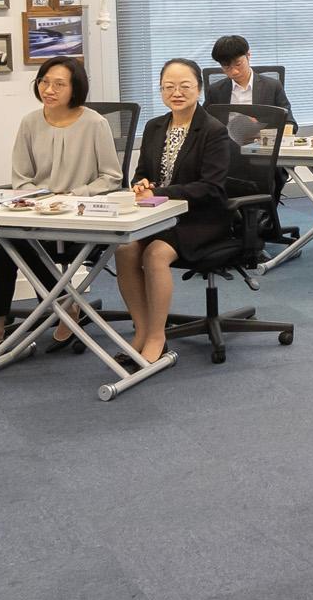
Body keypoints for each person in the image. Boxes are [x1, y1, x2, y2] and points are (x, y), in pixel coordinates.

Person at [0, 55, 122, 358]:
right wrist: (38, 198)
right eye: (43, 81)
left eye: (58, 84)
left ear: (74, 88)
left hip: (81, 219)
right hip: (39, 215)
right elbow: (20, 178)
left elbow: (111, 178)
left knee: (23, 244)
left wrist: (73, 195)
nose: (48, 89)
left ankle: (64, 307)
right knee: (4, 248)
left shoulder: (95, 123)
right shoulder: (29, 122)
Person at [112, 58, 236, 366]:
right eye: (169, 87)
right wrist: (140, 184)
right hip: (158, 213)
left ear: (199, 88)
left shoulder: (213, 130)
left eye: (184, 86)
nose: (176, 92)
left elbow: (212, 187)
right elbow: (142, 173)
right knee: (125, 249)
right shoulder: (155, 126)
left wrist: (162, 192)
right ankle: (141, 330)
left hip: (201, 217)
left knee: (155, 254)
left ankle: (157, 336)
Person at [204, 34, 293, 246]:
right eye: (226, 67)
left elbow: (289, 123)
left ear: (249, 56)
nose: (234, 71)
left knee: (256, 176)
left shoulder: (271, 86)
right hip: (228, 155)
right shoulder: (216, 91)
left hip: (261, 155)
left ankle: (254, 235)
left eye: (238, 64)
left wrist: (259, 128)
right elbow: (206, 125)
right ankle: (233, 231)